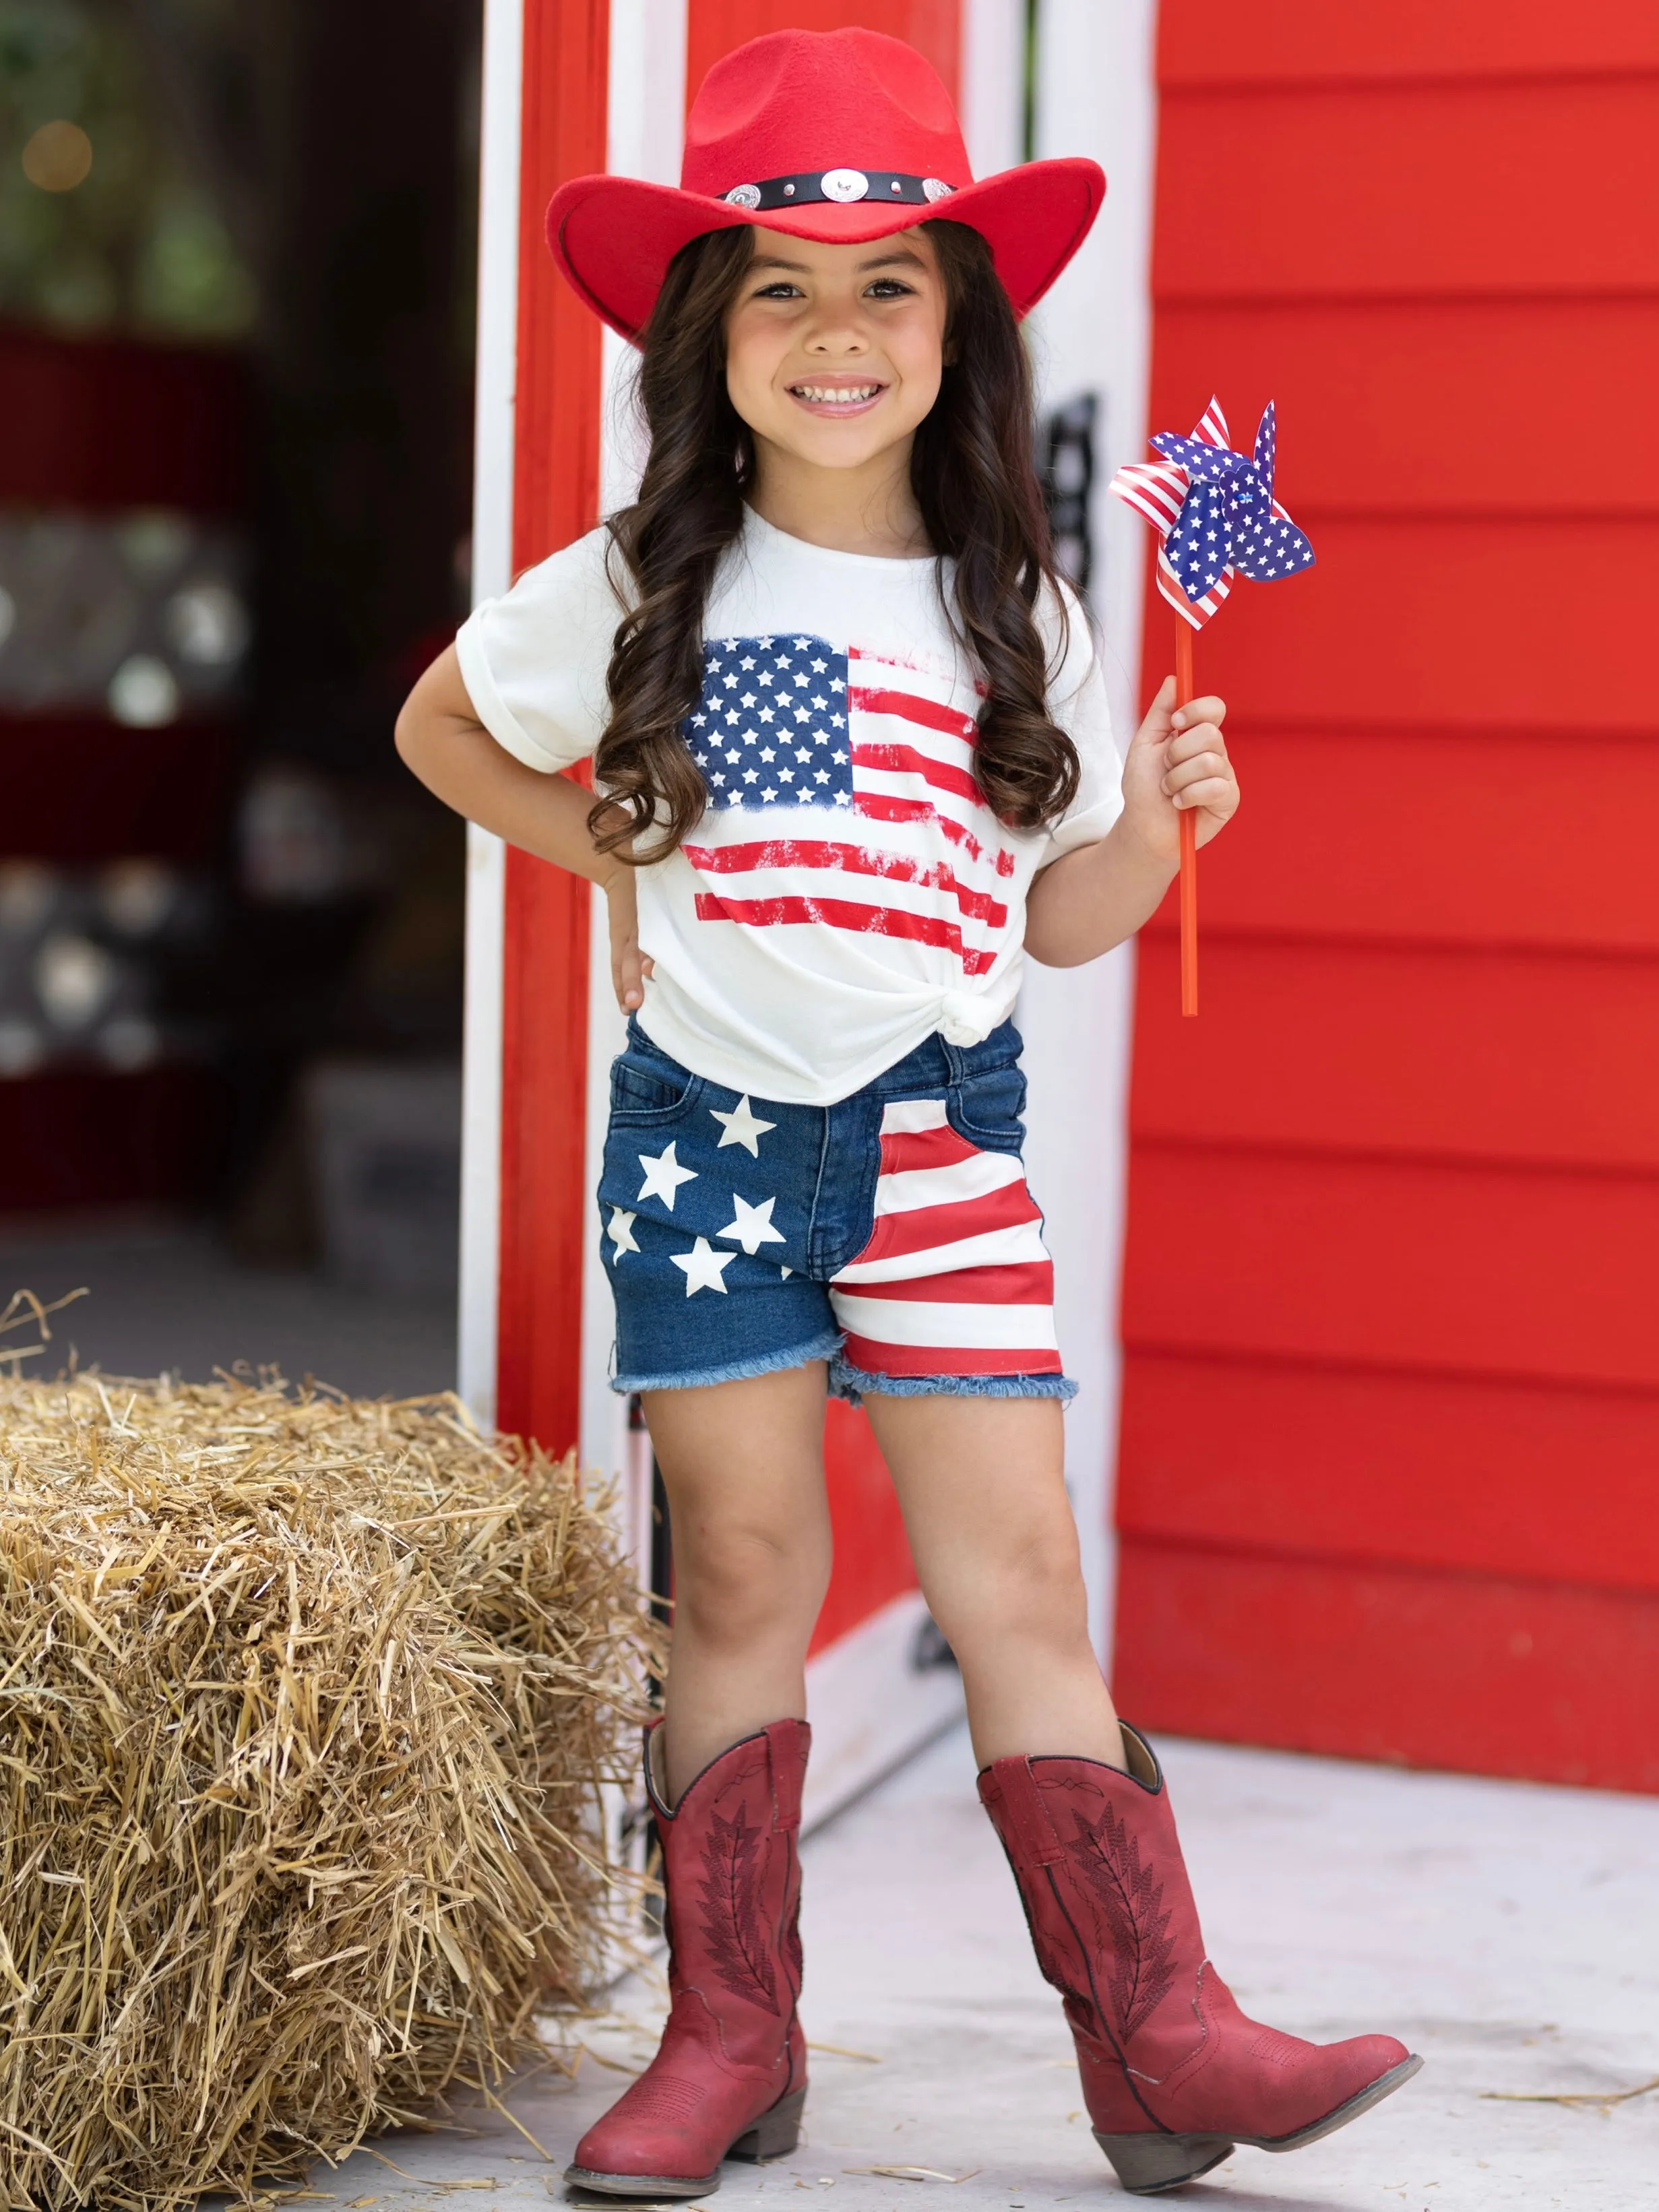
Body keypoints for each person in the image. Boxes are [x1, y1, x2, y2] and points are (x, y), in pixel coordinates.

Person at [397, 28, 1420, 2202]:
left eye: (889, 288)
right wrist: (616, 855)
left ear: (957, 332)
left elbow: (1053, 924)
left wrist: (1155, 829)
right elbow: (442, 728)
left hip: (941, 1137)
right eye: (780, 283)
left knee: (1020, 1575)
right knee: (744, 1567)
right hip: (710, 1140)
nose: (837, 332)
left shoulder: (1015, 610)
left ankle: (1161, 2040)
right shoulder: (642, 581)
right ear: (709, 331)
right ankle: (729, 2036)